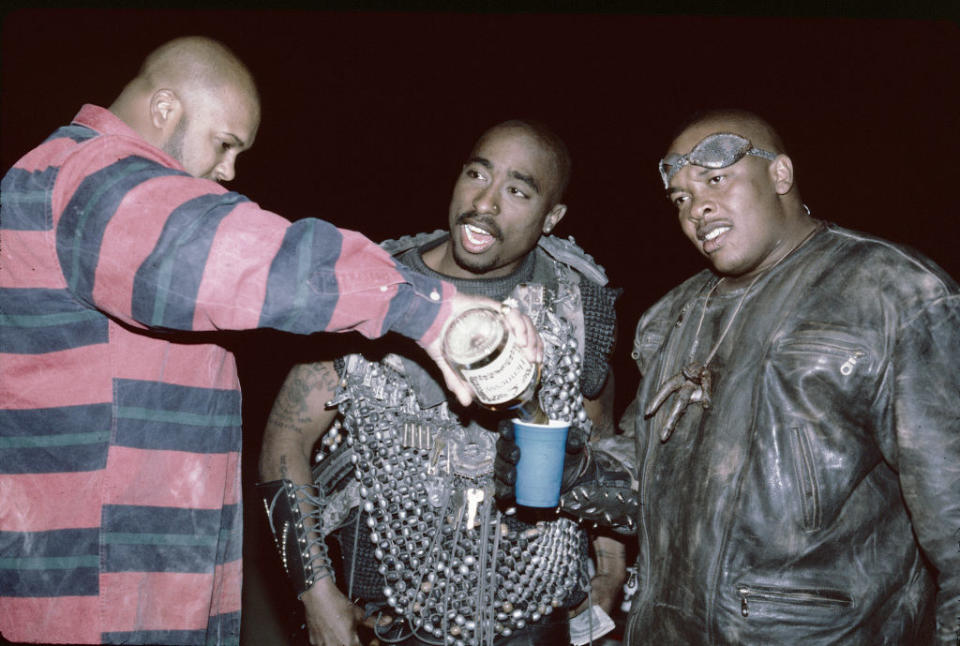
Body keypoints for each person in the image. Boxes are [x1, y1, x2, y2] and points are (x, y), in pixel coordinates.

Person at [0, 37, 540, 646]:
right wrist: (426, 307)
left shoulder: (93, 188)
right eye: (224, 144)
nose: (229, 172)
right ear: (165, 110)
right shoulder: (92, 179)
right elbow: (232, 252)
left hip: (144, 574)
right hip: (98, 590)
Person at [497, 109, 960, 644]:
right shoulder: (671, 316)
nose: (698, 208)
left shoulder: (896, 296)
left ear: (780, 175)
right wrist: (578, 473)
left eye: (716, 180)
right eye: (681, 199)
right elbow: (647, 473)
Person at [257, 120, 623, 646]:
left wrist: (609, 566)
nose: (485, 203)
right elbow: (283, 440)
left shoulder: (576, 301)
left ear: (552, 218)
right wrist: (315, 595)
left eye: (517, 190)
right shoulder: (374, 291)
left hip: (541, 616)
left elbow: (600, 437)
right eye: (477, 174)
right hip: (394, 620)